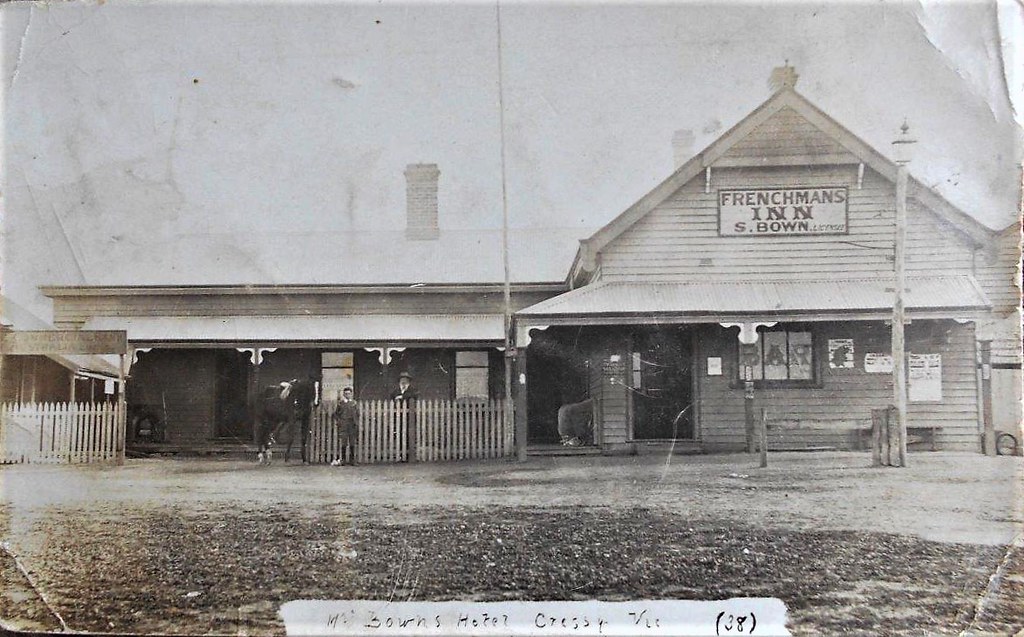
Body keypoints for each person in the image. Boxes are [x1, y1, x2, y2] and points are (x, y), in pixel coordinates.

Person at [331, 387, 359, 466]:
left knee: (352, 442)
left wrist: (355, 422)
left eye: (349, 394)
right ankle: (343, 459)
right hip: (344, 425)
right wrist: (339, 422)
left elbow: (357, 414)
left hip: (352, 425)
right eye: (346, 394)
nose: (347, 395)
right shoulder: (341, 403)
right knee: (344, 442)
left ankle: (352, 460)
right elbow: (336, 414)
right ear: (343, 394)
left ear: (351, 394)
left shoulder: (354, 403)